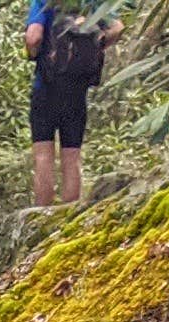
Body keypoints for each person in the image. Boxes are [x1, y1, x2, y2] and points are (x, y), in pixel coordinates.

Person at [28, 2, 111, 209]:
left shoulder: (44, 2)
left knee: (43, 154)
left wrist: (32, 53)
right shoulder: (92, 3)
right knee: (72, 155)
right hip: (77, 89)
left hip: (46, 86)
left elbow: (33, 36)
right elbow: (116, 27)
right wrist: (97, 48)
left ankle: (41, 216)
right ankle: (67, 218)